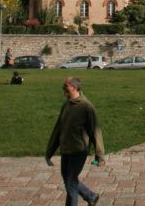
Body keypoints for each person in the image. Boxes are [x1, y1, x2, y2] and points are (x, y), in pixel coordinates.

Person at [46, 77, 104, 206]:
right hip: (66, 149)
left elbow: (95, 131)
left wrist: (99, 154)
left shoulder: (86, 107)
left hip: (79, 150)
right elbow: (58, 129)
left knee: (71, 182)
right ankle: (91, 196)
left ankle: (88, 197)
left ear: (74, 87)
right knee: (68, 181)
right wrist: (49, 151)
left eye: (66, 85)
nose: (63, 87)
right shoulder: (66, 105)